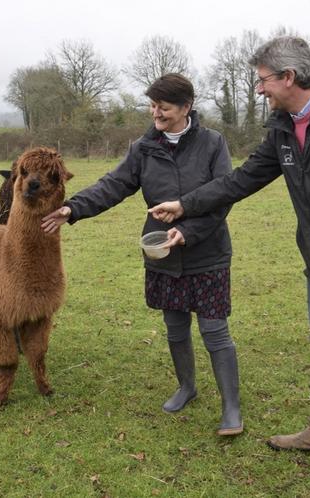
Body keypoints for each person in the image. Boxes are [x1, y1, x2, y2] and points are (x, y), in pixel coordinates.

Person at [149, 37, 310, 486]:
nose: (259, 89)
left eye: (263, 80)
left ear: (288, 77)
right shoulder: (284, 126)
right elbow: (243, 179)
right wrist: (185, 205)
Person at [41, 73, 243, 436]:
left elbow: (222, 196)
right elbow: (114, 184)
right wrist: (74, 209)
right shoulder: (144, 147)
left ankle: (231, 406)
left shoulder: (213, 144)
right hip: (162, 251)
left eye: (164, 107)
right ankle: (186, 387)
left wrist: (189, 232)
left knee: (214, 329)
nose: (156, 114)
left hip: (207, 250)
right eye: (152, 106)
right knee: (175, 325)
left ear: (186, 107)